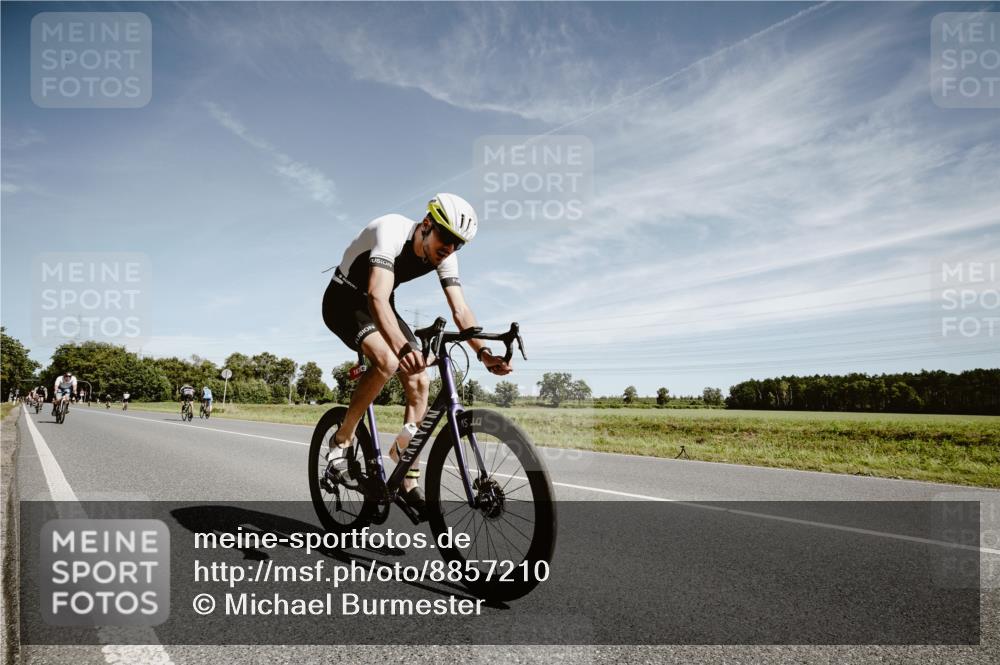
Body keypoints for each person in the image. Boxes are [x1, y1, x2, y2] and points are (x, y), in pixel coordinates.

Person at [322, 193, 512, 517]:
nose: (450, 249)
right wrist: (402, 346)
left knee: (421, 380)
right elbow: (377, 298)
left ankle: (407, 477)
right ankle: (341, 440)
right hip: (345, 301)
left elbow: (461, 310)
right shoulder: (391, 231)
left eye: (459, 244)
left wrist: (484, 353)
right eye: (447, 238)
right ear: (426, 225)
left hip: (380, 303)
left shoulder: (444, 254)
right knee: (388, 360)